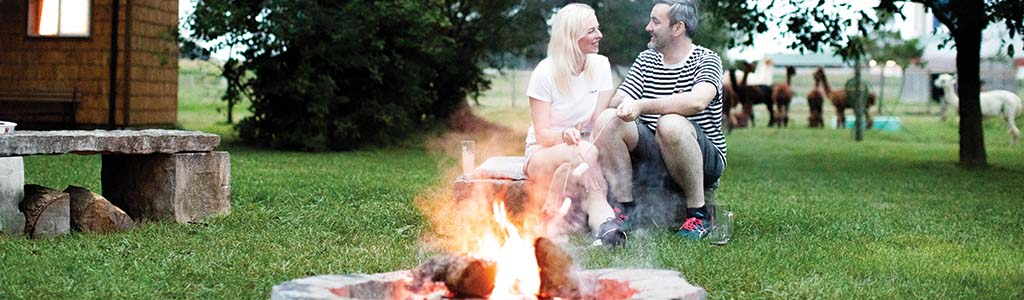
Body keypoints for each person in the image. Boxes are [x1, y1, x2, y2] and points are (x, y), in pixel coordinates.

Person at [593, 0, 726, 240]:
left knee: (670, 123)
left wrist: (642, 105)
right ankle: (625, 210)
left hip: (702, 158)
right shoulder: (646, 59)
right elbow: (622, 97)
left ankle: (698, 214)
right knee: (607, 119)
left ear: (678, 28)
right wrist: (620, 102)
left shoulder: (707, 59)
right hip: (656, 153)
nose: (648, 27)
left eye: (655, 21)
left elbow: (697, 101)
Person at [523, 3, 625, 246]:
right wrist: (564, 136)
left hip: (586, 151)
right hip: (543, 152)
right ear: (572, 35)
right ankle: (597, 219)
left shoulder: (600, 65)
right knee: (585, 156)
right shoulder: (544, 72)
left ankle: (605, 229)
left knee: (587, 162)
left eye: (597, 28)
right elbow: (542, 134)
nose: (599, 35)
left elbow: (598, 124)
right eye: (591, 30)